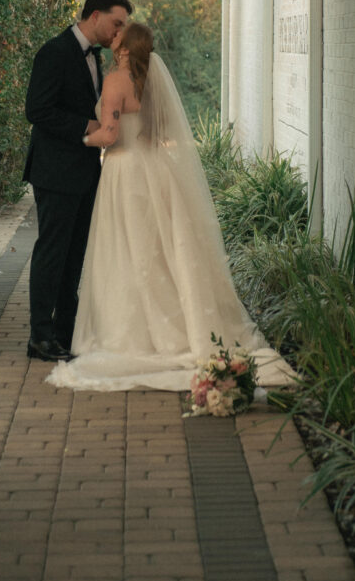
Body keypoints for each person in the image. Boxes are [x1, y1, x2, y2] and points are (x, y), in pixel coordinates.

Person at [48, 22, 293, 391]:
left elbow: (111, 136)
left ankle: (134, 332)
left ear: (127, 48)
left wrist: (83, 139)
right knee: (159, 250)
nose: (112, 39)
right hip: (156, 172)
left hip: (125, 172)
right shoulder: (152, 80)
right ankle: (176, 323)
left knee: (126, 250)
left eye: (118, 37)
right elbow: (159, 132)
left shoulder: (116, 80)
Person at [23, 0, 133, 362]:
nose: (119, 32)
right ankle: (40, 336)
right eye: (116, 23)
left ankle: (65, 333)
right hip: (55, 171)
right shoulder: (54, 52)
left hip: (86, 172)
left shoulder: (98, 58)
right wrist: (86, 125)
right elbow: (37, 110)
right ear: (95, 15)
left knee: (74, 257)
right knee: (52, 253)